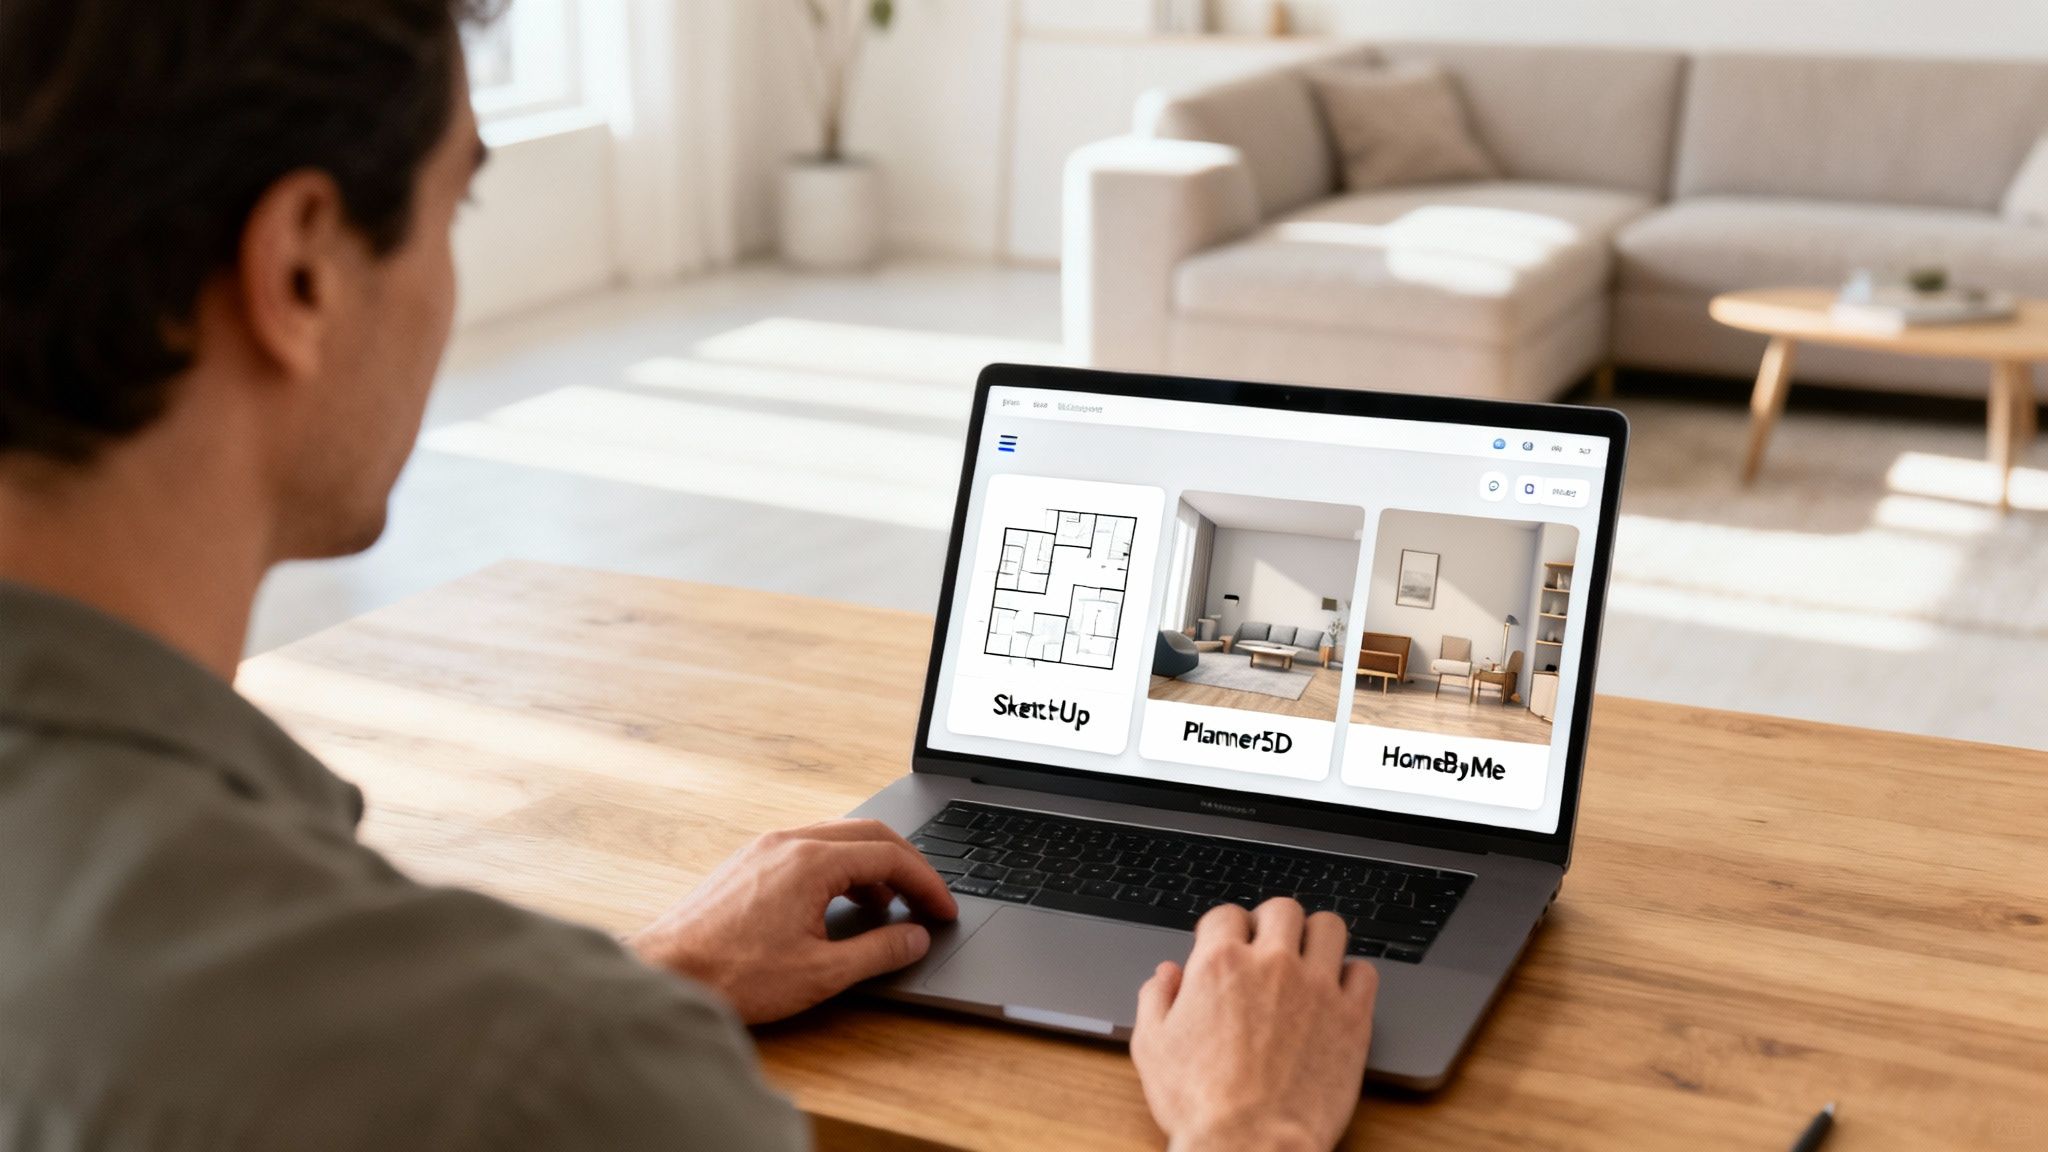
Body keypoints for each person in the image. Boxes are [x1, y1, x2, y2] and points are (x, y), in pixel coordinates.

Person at [0, 2, 1378, 1149]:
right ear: (300, 269)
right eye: (452, 201)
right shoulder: (558, 1081)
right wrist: (1247, 1125)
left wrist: (657, 974)